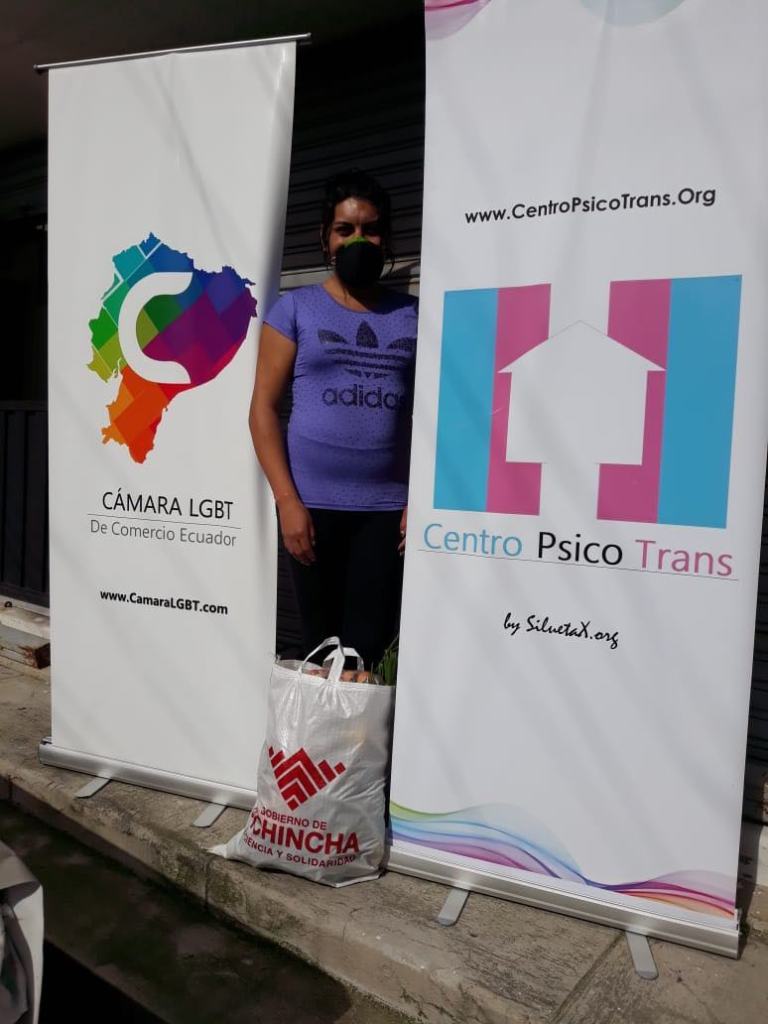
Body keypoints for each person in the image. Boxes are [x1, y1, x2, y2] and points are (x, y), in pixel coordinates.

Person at [249, 170, 418, 669]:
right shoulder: (295, 309)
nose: (358, 241)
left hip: (387, 513)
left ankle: (362, 725)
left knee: (368, 653)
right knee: (320, 649)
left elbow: (437, 416)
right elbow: (262, 408)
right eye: (345, 230)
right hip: (312, 508)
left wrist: (421, 501)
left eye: (370, 229)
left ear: (386, 238)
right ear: (325, 238)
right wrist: (287, 501)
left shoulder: (416, 315)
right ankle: (316, 727)